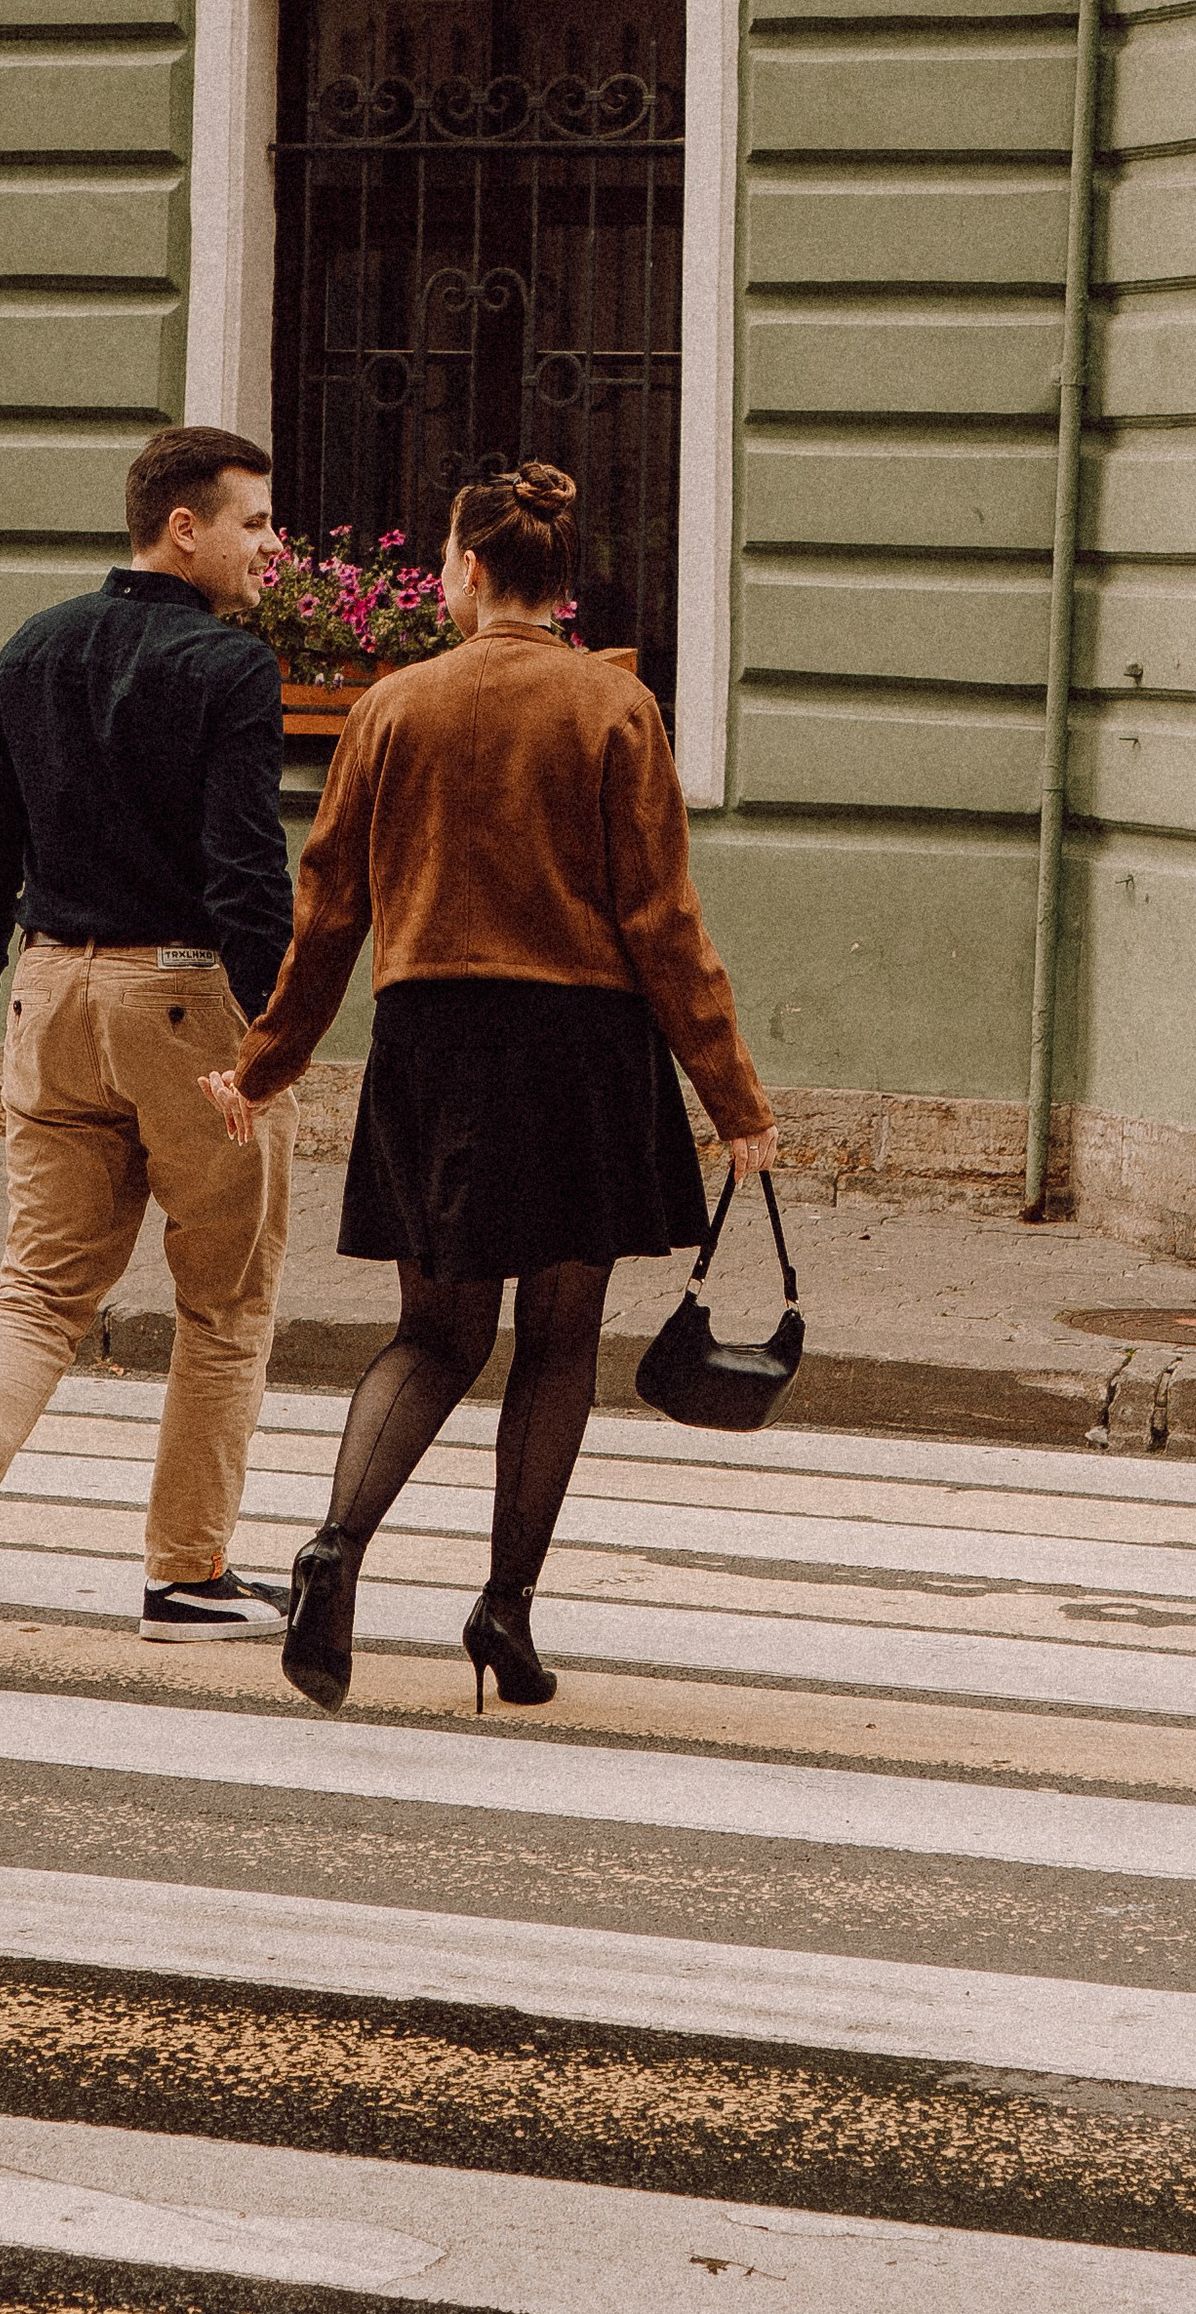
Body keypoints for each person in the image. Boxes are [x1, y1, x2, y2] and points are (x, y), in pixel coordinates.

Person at [200, 459, 777, 1715]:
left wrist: (262, 1062)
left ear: (462, 574)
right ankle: (503, 1612)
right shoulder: (615, 711)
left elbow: (328, 914)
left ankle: (333, 1551)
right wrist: (736, 1102)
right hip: (579, 1055)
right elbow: (662, 923)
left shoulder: (392, 709)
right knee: (557, 1343)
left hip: (435, 1047)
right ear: (562, 589)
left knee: (433, 1334)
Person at [0, 426, 300, 1666]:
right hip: (184, 998)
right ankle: (188, 1572)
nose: (274, 547)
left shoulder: (34, 648)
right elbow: (245, 871)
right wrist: (273, 1037)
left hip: (48, 994)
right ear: (184, 527)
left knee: (38, 1290)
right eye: (254, 523)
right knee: (224, 1300)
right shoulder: (228, 668)